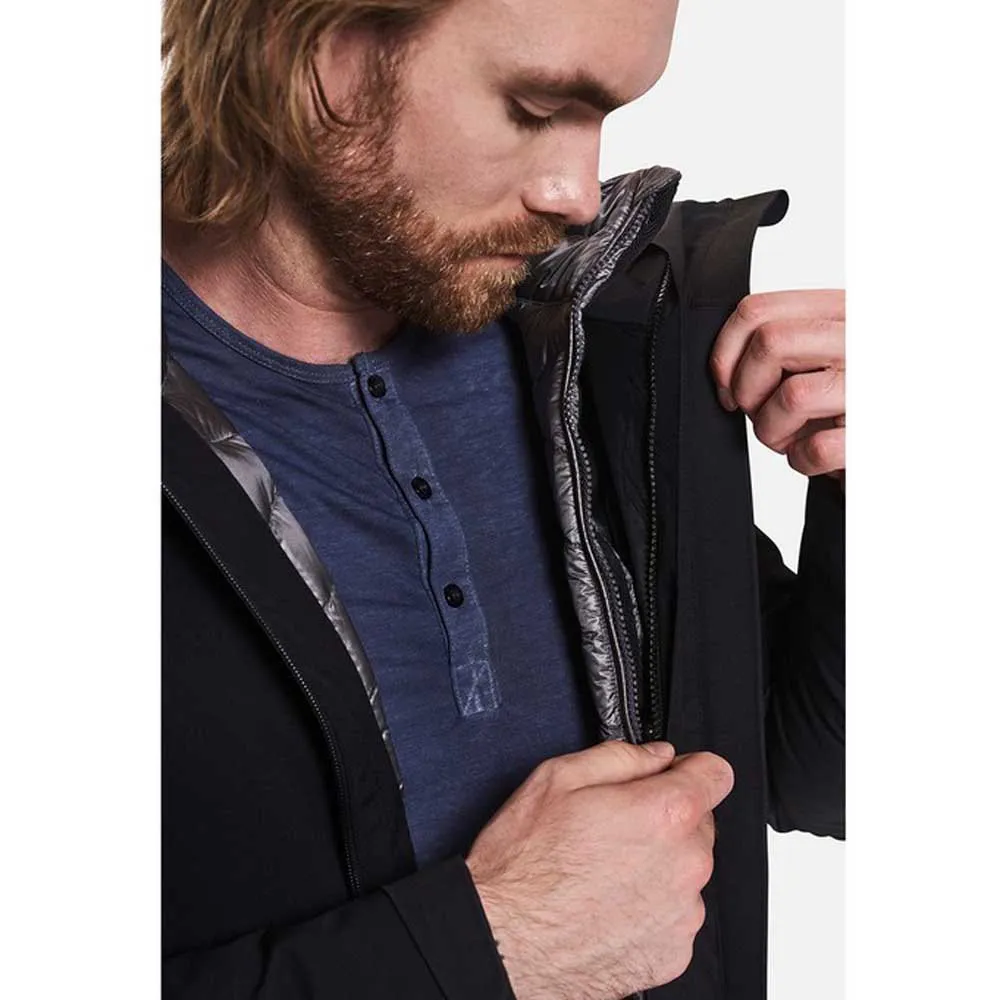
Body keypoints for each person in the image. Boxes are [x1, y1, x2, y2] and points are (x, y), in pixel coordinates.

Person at [161, 0, 845, 997]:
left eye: (606, 118)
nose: (579, 193)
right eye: (534, 109)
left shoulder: (598, 341)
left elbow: (813, 767)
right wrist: (494, 945)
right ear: (320, 55)